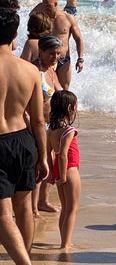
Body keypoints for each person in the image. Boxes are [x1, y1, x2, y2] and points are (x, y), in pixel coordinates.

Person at [0, 5, 45, 265]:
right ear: (15, 35)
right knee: (25, 207)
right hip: (24, 141)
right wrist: (45, 155)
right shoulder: (30, 70)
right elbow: (39, 119)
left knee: (2, 214)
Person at [32, 36, 63, 216]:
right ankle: (34, 206)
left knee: (50, 165)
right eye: (51, 53)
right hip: (40, 125)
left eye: (58, 53)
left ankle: (43, 201)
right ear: (41, 52)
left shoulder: (53, 69)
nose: (55, 57)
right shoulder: (36, 71)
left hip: (53, 126)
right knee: (39, 165)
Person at [47, 90, 81, 250]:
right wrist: (64, 176)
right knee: (72, 208)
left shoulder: (51, 130)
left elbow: (48, 153)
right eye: (75, 106)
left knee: (65, 208)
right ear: (69, 108)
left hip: (57, 170)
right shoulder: (69, 130)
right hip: (70, 170)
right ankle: (66, 243)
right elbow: (62, 155)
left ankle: (64, 240)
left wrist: (52, 174)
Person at [47, 0, 84, 90]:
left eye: (48, 5)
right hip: (46, 60)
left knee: (64, 91)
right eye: (43, 4)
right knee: (47, 91)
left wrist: (80, 59)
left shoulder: (68, 18)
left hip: (64, 60)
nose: (45, 7)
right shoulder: (42, 18)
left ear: (55, 4)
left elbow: (78, 39)